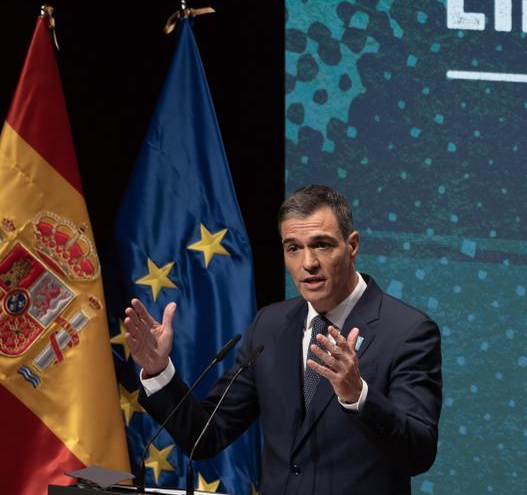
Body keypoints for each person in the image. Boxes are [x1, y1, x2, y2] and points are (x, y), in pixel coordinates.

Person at [124, 184, 442, 494]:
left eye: (322, 245)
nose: (308, 263)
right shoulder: (270, 325)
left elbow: (419, 453)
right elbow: (206, 436)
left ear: (352, 246)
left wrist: (358, 396)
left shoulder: (408, 331)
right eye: (294, 248)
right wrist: (159, 372)